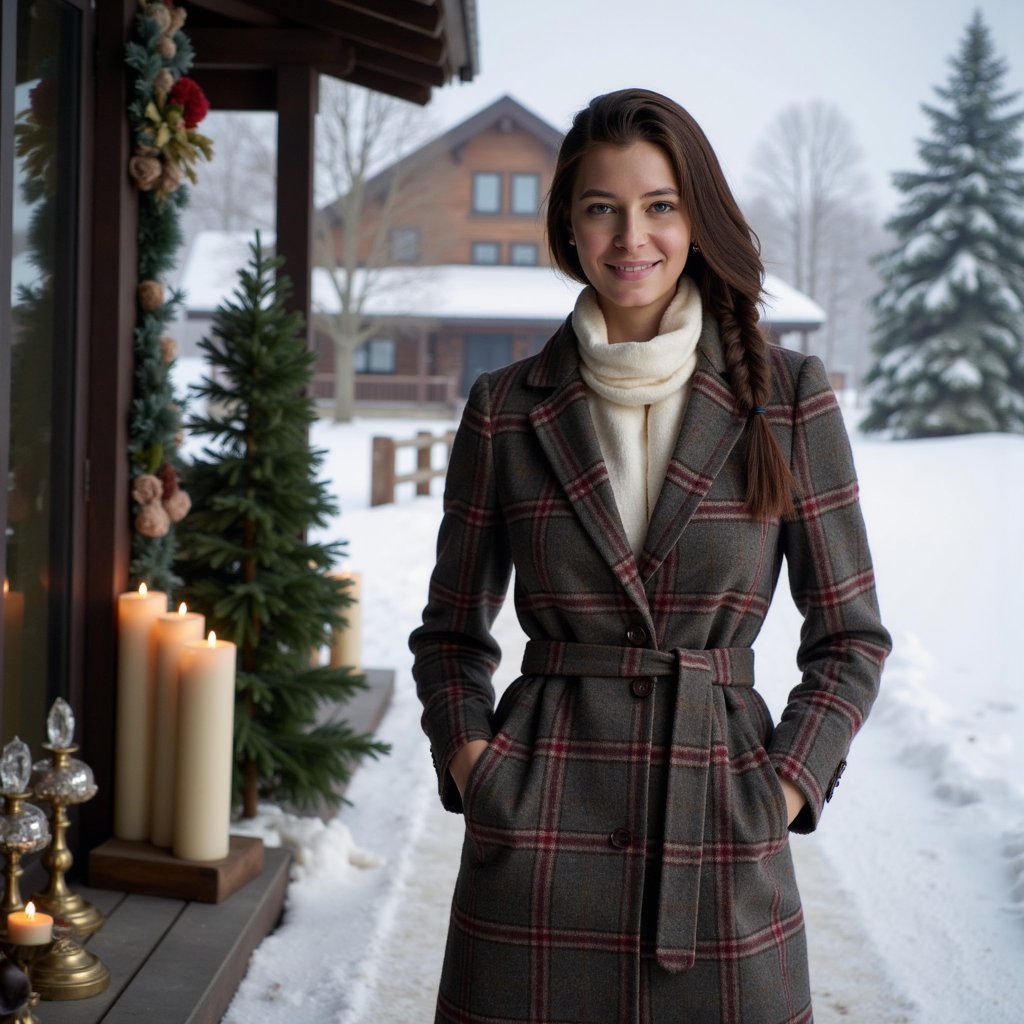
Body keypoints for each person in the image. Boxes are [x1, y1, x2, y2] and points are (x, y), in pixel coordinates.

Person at [410, 88, 890, 1024]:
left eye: (659, 205)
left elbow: (850, 638)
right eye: (603, 208)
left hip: (718, 832)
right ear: (569, 227)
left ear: (696, 218)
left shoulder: (787, 396)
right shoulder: (506, 405)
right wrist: (478, 764)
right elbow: (449, 635)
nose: (632, 237)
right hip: (536, 842)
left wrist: (782, 787)